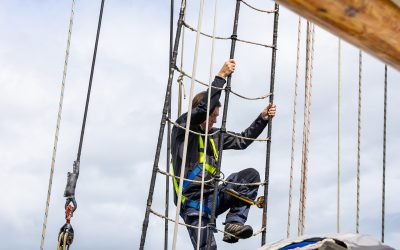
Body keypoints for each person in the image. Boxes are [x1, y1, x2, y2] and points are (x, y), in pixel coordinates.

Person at [171, 59, 276, 249]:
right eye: (213, 115)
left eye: (217, 116)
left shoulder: (215, 136)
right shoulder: (182, 129)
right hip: (193, 204)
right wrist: (220, 78)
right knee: (208, 248)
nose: (214, 120)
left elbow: (243, 140)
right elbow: (202, 110)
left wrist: (263, 119)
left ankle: (233, 224)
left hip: (214, 196)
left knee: (250, 176)